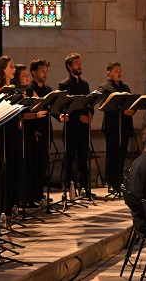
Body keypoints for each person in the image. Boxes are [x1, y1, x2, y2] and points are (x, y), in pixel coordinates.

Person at [0, 56, 22, 212]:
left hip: (14, 128)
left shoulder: (14, 88)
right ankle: (4, 205)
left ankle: (13, 202)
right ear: (3, 70)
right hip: (4, 130)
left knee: (15, 165)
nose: (14, 69)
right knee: (5, 166)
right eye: (11, 67)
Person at [98, 61, 135, 194]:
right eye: (116, 70)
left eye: (120, 70)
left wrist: (132, 110)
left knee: (122, 155)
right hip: (112, 127)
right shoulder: (105, 88)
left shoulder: (125, 87)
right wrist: (122, 111)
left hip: (124, 126)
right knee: (112, 155)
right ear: (109, 73)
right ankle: (111, 182)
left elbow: (132, 103)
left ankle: (120, 181)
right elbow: (105, 107)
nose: (119, 73)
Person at [58, 53, 92, 193]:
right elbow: (64, 106)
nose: (79, 65)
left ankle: (84, 186)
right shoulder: (64, 85)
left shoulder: (85, 84)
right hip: (72, 127)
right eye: (76, 63)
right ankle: (70, 186)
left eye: (80, 62)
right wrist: (79, 117)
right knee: (70, 157)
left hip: (84, 127)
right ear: (69, 66)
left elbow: (89, 103)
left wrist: (90, 114)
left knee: (84, 156)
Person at [25, 59, 53, 205]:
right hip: (35, 132)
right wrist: (33, 129)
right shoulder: (29, 89)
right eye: (42, 70)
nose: (45, 73)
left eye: (46, 70)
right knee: (35, 164)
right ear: (34, 72)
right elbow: (29, 111)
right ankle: (32, 196)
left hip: (46, 129)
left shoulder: (47, 90)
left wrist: (60, 116)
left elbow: (51, 108)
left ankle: (40, 194)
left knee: (43, 163)